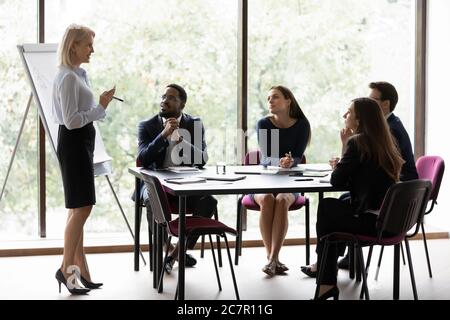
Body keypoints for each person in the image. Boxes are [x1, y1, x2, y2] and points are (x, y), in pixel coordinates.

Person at [310, 98, 404, 299]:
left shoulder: (358, 142)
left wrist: (345, 147)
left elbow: (336, 181)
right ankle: (325, 276)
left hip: (375, 224)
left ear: (360, 119)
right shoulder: (384, 142)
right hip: (392, 221)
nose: (345, 116)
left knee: (327, 207)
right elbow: (361, 179)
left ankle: (324, 275)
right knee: (340, 206)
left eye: (349, 112)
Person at [52, 24, 116, 294]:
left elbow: (82, 113)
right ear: (73, 46)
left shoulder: (78, 74)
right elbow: (70, 120)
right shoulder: (67, 78)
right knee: (83, 208)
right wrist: (100, 107)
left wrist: (98, 104)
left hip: (82, 143)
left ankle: (82, 269)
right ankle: (66, 270)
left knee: (77, 208)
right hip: (74, 142)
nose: (92, 49)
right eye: (88, 44)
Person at [335, 81, 419, 269]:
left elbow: (371, 169)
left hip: (398, 195)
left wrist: (347, 153)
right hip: (395, 190)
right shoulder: (385, 126)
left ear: (385, 104)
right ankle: (350, 256)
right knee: (344, 199)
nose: (368, 104)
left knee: (339, 205)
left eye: (372, 100)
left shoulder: (389, 130)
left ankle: (333, 261)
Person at [137, 84, 217, 273]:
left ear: (182, 104)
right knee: (151, 201)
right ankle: (167, 247)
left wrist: (184, 141)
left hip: (186, 183)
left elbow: (202, 159)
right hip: (156, 183)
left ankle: (175, 254)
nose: (164, 100)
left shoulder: (194, 124)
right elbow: (143, 160)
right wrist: (163, 135)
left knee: (209, 202)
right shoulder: (147, 126)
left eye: (171, 98)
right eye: (163, 97)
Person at [253, 85, 311, 276]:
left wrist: (290, 162)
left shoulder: (302, 125)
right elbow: (265, 157)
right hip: (265, 179)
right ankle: (273, 258)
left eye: (275, 97)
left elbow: (298, 156)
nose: (270, 101)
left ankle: (272, 259)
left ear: (288, 101)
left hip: (290, 180)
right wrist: (279, 161)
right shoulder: (263, 123)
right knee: (268, 198)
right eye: (268, 98)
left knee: (282, 199)